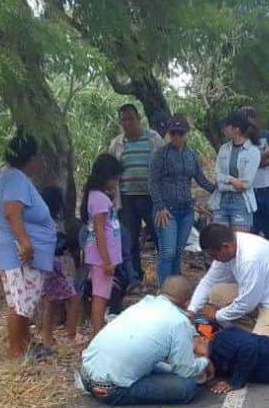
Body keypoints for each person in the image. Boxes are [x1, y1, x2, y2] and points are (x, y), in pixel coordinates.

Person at [80, 276, 214, 406]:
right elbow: (185, 371)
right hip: (110, 389)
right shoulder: (179, 322)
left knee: (163, 366)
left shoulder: (144, 304)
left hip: (86, 375)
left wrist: (193, 337)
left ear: (159, 292)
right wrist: (204, 362)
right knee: (187, 387)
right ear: (187, 302)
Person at [0, 134, 57, 361]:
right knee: (20, 305)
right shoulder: (15, 179)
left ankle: (24, 345)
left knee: (22, 303)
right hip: (19, 254)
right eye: (38, 157)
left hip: (16, 253)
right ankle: (16, 351)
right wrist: (25, 242)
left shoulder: (11, 177)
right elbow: (12, 212)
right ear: (31, 158)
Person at [188, 223, 269, 338]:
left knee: (255, 348)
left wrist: (217, 315)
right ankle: (259, 330)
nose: (214, 260)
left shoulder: (249, 259)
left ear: (225, 246)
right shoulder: (231, 245)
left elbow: (246, 303)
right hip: (262, 295)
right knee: (216, 293)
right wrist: (191, 311)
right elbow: (209, 282)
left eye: (214, 256)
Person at [149, 115, 215, 285]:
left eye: (180, 133)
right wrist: (160, 206)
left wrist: (219, 189)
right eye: (173, 133)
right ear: (169, 134)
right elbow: (152, 181)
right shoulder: (161, 155)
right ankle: (164, 290)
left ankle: (175, 287)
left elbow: (201, 179)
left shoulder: (191, 155)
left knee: (178, 252)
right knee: (167, 252)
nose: (177, 136)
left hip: (186, 210)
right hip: (166, 210)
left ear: (187, 134)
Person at [109, 104, 164, 285]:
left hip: (151, 197)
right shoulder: (117, 144)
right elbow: (111, 172)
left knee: (159, 237)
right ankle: (135, 279)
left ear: (138, 119)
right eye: (123, 120)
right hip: (126, 198)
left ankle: (164, 278)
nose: (127, 123)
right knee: (130, 240)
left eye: (130, 119)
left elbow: (163, 166)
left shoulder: (153, 139)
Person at [82, 154, 124, 335]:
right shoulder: (99, 199)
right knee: (101, 295)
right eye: (115, 178)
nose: (116, 182)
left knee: (102, 293)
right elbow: (100, 231)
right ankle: (97, 333)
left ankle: (98, 331)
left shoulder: (99, 197)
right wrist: (107, 260)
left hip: (102, 256)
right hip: (102, 258)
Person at [38, 185, 83, 349]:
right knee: (73, 298)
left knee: (50, 302)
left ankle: (47, 337)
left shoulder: (41, 223)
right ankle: (71, 335)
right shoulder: (58, 224)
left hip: (45, 266)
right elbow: (64, 244)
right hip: (59, 265)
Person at [210, 110, 260, 232]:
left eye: (227, 127)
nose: (224, 130)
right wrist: (231, 180)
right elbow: (217, 176)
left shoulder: (252, 152)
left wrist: (225, 181)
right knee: (219, 240)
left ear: (236, 129)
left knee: (239, 242)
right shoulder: (224, 149)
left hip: (241, 201)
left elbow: (245, 184)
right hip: (221, 200)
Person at [241, 105, 269, 244]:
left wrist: (255, 160)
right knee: (253, 233)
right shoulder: (240, 141)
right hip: (250, 190)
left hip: (268, 187)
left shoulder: (266, 136)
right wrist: (262, 156)